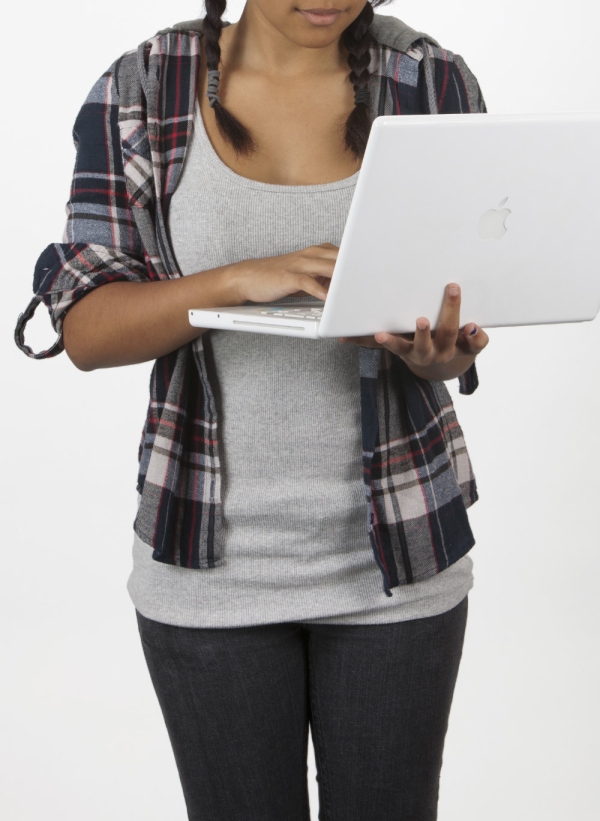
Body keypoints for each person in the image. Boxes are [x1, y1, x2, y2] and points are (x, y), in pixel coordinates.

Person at [14, 1, 490, 818]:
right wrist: (236, 278)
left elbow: (470, 287)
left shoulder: (429, 81)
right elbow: (88, 329)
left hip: (400, 563)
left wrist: (441, 354)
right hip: (207, 571)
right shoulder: (141, 88)